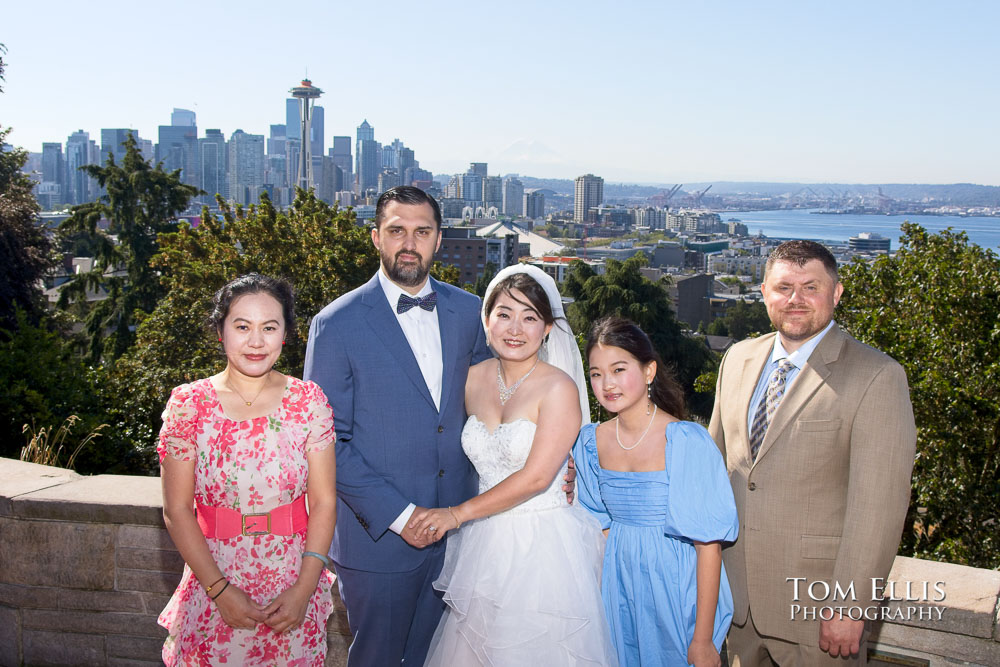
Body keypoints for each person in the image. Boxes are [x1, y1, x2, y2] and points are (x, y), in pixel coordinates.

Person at [302, 186, 495, 666]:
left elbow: (500, 408)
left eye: (422, 231)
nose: (409, 243)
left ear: (438, 240)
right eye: (396, 231)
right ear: (376, 238)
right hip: (379, 544)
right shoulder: (336, 324)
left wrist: (552, 464)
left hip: (461, 536)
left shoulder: (471, 313)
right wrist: (400, 515)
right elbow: (327, 443)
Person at [708, 240, 916, 666]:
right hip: (735, 605)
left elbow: (878, 507)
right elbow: (711, 472)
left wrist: (850, 606)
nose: (795, 300)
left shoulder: (877, 376)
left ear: (836, 294)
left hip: (815, 613)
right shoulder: (737, 359)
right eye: (784, 287)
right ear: (764, 292)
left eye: (810, 287)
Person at [412, 264, 617, 666]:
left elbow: (537, 477)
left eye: (530, 317)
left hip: (542, 545)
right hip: (483, 542)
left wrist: (456, 514)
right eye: (504, 314)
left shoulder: (559, 387)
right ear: (486, 321)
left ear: (546, 329)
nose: (515, 328)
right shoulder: (470, 380)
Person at [158, 273, 338, 666]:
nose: (256, 342)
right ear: (221, 331)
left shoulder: (308, 402)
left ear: (285, 334)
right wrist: (221, 591)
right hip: (214, 577)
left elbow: (324, 503)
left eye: (269, 327)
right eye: (242, 327)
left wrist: (304, 590)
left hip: (291, 584)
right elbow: (176, 510)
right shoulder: (189, 405)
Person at [571, 316, 738, 667]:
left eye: (619, 369)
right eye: (597, 374)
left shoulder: (687, 441)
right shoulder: (589, 442)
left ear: (649, 372)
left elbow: (708, 546)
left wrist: (703, 639)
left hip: (677, 588)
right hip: (617, 588)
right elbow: (597, 529)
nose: (607, 384)